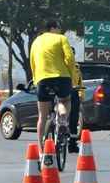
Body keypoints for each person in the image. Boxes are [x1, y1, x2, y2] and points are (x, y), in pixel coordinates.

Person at [29, 20, 76, 155]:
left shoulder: (36, 41)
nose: (60, 31)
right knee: (64, 101)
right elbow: (70, 59)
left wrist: (36, 79)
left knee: (42, 116)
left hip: (43, 79)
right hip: (62, 78)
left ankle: (40, 150)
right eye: (59, 28)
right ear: (53, 28)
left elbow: (32, 62)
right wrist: (72, 76)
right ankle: (62, 119)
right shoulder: (62, 39)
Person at [68, 47, 83, 153]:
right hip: (63, 92)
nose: (71, 55)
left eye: (73, 53)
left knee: (74, 119)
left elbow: (80, 83)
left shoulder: (77, 67)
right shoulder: (61, 65)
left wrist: (81, 94)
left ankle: (72, 144)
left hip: (74, 93)